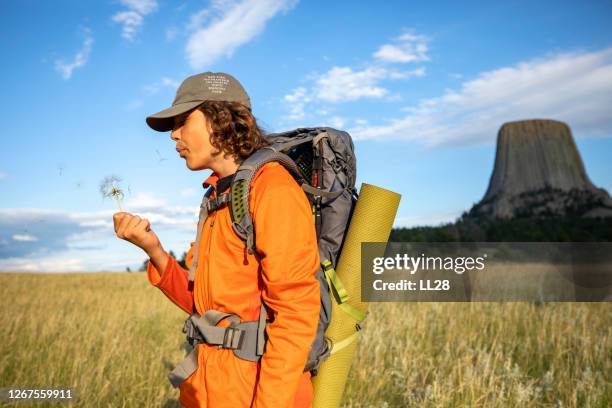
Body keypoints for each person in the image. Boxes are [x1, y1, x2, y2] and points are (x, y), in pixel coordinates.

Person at [113, 72, 321, 407]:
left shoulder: (273, 189)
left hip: (256, 393)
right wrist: (153, 250)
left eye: (182, 121)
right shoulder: (217, 199)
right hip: (209, 390)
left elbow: (296, 317)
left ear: (221, 118)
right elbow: (204, 306)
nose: (174, 135)